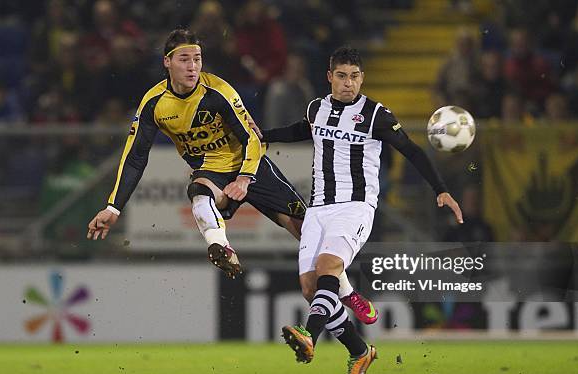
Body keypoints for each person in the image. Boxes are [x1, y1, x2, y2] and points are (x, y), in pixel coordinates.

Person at [85, 29, 378, 324]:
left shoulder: (218, 92)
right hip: (212, 169)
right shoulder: (154, 104)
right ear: (167, 62)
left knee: (308, 234)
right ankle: (220, 245)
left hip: (250, 166)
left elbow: (253, 138)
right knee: (199, 191)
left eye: (197, 59)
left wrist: (244, 178)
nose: (192, 66)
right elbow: (135, 156)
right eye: (184, 59)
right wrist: (114, 206)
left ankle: (347, 293)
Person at [256, 46, 463, 374]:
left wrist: (440, 189)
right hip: (318, 208)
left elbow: (411, 149)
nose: (348, 83)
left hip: (356, 206)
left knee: (328, 267)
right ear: (330, 77)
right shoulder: (316, 108)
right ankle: (360, 348)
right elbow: (301, 130)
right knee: (311, 288)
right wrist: (265, 135)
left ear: (362, 78)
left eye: (354, 77)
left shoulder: (376, 115)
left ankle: (310, 335)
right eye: (341, 76)